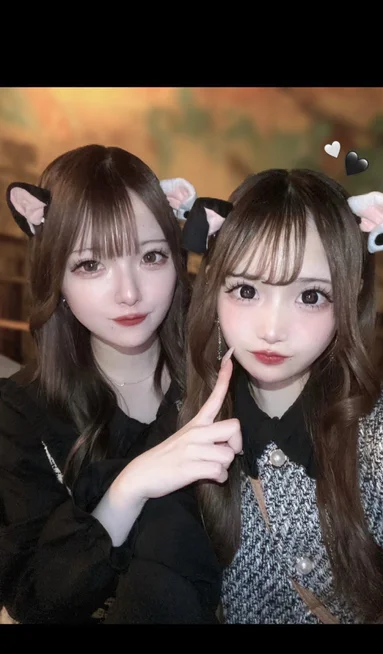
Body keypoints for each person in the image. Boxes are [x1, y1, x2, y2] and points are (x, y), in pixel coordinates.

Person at [0, 144, 241, 624]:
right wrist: (129, 488)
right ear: (56, 278)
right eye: (91, 265)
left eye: (152, 257)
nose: (129, 292)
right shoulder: (20, 414)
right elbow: (34, 600)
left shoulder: (226, 380)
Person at [178, 169, 383, 624]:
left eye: (311, 296)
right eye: (246, 290)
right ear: (214, 291)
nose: (273, 330)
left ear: (351, 295)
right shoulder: (182, 425)